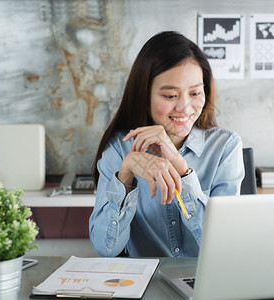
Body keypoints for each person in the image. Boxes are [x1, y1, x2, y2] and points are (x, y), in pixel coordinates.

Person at [89, 31, 244, 257]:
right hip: (146, 284)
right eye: (170, 96)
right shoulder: (119, 148)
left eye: (195, 93)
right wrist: (126, 174)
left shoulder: (225, 147)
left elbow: (225, 246)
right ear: (145, 95)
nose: (184, 107)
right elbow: (106, 248)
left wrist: (181, 169)